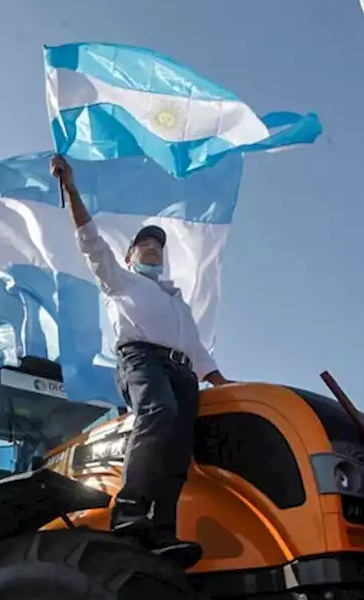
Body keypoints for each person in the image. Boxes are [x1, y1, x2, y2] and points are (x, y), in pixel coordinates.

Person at [51, 154, 231, 568]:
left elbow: (199, 352)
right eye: (144, 245)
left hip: (181, 370)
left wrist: (225, 384)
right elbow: (90, 242)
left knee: (179, 447)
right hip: (140, 360)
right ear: (131, 257)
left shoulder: (176, 300)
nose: (152, 249)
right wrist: (71, 189)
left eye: (158, 247)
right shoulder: (120, 280)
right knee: (157, 412)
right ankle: (129, 509)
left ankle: (162, 530)